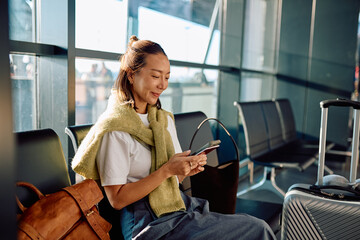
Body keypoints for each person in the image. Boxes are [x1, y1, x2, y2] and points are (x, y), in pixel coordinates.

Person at [72, 36, 276, 240]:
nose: (162, 85)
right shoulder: (115, 129)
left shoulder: (163, 120)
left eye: (167, 77)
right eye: (156, 76)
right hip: (146, 223)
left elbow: (172, 180)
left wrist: (185, 170)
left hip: (179, 208)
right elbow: (116, 199)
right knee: (257, 229)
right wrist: (166, 170)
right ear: (131, 76)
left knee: (256, 227)